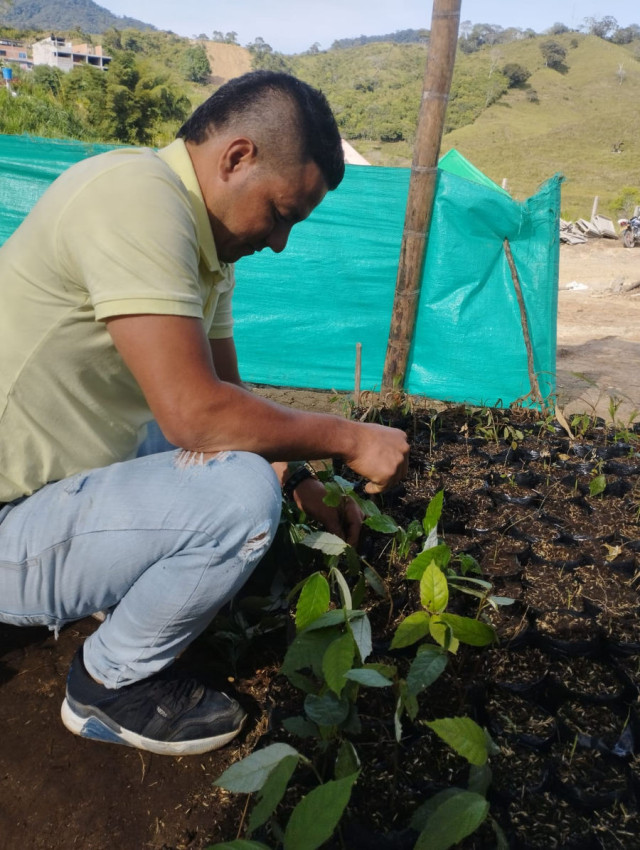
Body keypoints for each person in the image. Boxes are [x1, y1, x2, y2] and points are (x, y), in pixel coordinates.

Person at [0, 71, 409, 756]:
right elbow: (197, 415)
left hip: (48, 485)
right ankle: (107, 686)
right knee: (237, 493)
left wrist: (303, 480)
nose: (279, 241)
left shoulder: (204, 246)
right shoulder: (134, 199)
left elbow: (230, 397)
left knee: (248, 462)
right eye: (281, 213)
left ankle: (107, 582)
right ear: (237, 157)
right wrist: (345, 437)